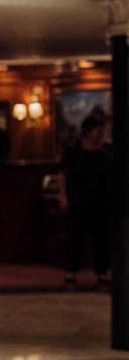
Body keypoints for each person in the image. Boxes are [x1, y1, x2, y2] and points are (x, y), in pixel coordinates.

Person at [59, 110, 112, 287]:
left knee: (102, 238)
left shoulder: (107, 152)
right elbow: (63, 173)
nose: (100, 133)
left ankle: (102, 271)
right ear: (87, 131)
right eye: (97, 130)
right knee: (75, 237)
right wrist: (64, 196)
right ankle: (71, 270)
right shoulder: (74, 151)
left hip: (102, 202)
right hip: (78, 200)